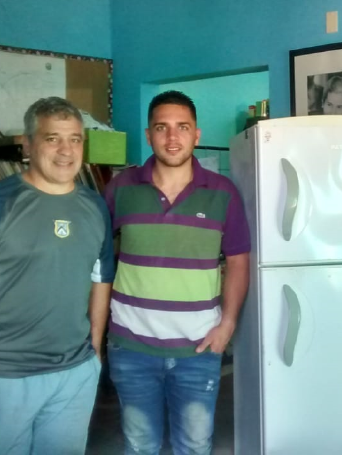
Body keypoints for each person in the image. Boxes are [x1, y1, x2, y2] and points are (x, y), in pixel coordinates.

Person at [0, 96, 115, 453]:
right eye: (52, 138)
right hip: (4, 374)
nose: (66, 150)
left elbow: (101, 278)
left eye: (75, 139)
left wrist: (93, 351)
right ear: (28, 145)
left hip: (74, 373)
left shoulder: (95, 206)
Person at [104, 90, 250, 455]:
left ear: (196, 135)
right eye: (162, 127)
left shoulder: (223, 193)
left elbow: (238, 261)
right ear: (148, 134)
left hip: (198, 348)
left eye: (182, 127)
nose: (172, 137)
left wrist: (227, 325)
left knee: (195, 446)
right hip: (131, 347)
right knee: (140, 446)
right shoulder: (121, 189)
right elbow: (98, 258)